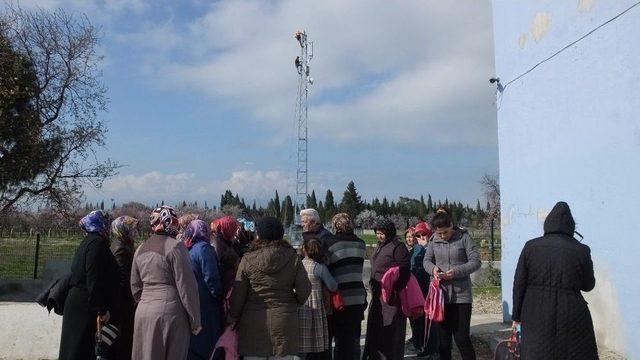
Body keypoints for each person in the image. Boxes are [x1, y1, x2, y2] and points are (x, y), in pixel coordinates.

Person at [512, 201, 597, 360]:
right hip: (572, 313)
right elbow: (588, 285)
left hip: (534, 311)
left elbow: (519, 284)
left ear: (548, 224)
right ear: (571, 226)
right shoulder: (581, 250)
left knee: (537, 352)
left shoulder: (531, 246)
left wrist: (517, 316)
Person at [229, 216, 311, 360]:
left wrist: (232, 317)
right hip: (284, 319)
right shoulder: (292, 257)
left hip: (253, 321)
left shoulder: (247, 258)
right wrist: (293, 302)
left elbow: (238, 294)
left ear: (258, 234)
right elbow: (304, 290)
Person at [130, 206, 202, 360]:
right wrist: (195, 320)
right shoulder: (176, 247)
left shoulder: (140, 249)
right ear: (171, 221)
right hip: (170, 313)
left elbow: (135, 286)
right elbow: (187, 286)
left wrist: (146, 301)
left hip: (143, 312)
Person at [59, 210, 119, 360]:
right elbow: (93, 277)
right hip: (84, 306)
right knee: (79, 350)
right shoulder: (96, 244)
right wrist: (100, 309)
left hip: (80, 302)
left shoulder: (90, 241)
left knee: (75, 350)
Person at [423, 212, 481, 360]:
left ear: (451, 226)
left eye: (445, 232)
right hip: (440, 296)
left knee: (462, 338)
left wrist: (456, 272)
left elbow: (476, 261)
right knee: (443, 341)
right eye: (439, 233)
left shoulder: (464, 238)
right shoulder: (433, 240)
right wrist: (433, 269)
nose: (442, 236)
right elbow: (426, 261)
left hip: (461, 295)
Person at [362, 219, 410, 360]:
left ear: (389, 232)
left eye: (382, 233)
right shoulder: (380, 246)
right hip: (377, 295)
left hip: (391, 297)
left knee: (391, 328)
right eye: (377, 233)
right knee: (376, 326)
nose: (379, 236)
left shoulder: (398, 246)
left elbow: (404, 270)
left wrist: (394, 289)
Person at [324, 213, 367, 360]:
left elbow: (327, 269)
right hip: (358, 295)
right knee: (353, 337)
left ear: (335, 226)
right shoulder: (361, 244)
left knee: (340, 340)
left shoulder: (330, 244)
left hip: (340, 297)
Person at [184, 219, 224, 360]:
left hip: (192, 301)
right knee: (209, 344)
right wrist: (219, 295)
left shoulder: (187, 248)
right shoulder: (204, 248)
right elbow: (211, 277)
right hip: (206, 303)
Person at [298, 239, 337, 359]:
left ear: (304, 250)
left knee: (301, 337)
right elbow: (333, 286)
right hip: (315, 305)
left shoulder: (298, 264)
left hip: (300, 304)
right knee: (314, 339)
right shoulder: (319, 267)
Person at [110, 215, 140, 360]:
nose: (135, 232)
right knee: (124, 340)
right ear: (124, 230)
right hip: (123, 303)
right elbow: (123, 279)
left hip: (125, 302)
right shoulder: (120, 249)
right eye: (132, 229)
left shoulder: (124, 244)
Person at [410, 221, 438, 358]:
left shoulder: (434, 247)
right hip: (417, 288)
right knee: (418, 319)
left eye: (424, 234)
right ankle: (420, 345)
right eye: (418, 235)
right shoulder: (416, 249)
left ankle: (432, 348)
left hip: (431, 288)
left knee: (431, 320)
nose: (422, 237)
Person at [210, 216, 241, 297]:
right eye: (234, 229)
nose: (236, 232)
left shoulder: (224, 241)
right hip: (223, 291)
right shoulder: (218, 244)